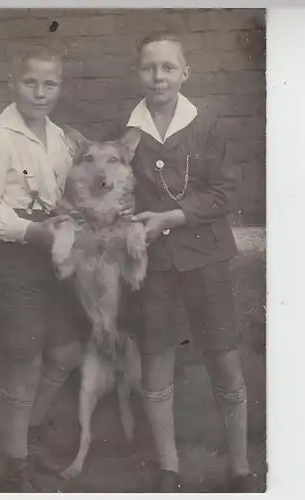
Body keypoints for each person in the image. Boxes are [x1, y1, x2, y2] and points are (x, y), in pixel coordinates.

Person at [0, 45, 134, 492]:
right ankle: (15, 463)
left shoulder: (62, 139)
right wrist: (33, 231)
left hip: (58, 255)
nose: (40, 92)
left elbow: (73, 193)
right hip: (14, 255)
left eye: (50, 84)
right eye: (30, 83)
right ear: (12, 84)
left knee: (64, 352)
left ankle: (30, 429)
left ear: (60, 87)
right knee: (26, 358)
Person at [123, 31, 256, 493]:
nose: (158, 76)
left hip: (207, 259)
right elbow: (120, 195)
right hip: (154, 266)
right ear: (138, 73)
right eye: (149, 67)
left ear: (185, 73)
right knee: (156, 359)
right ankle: (168, 465)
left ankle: (239, 465)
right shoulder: (129, 133)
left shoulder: (208, 126)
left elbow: (225, 192)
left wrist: (172, 217)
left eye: (167, 68)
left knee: (223, 358)